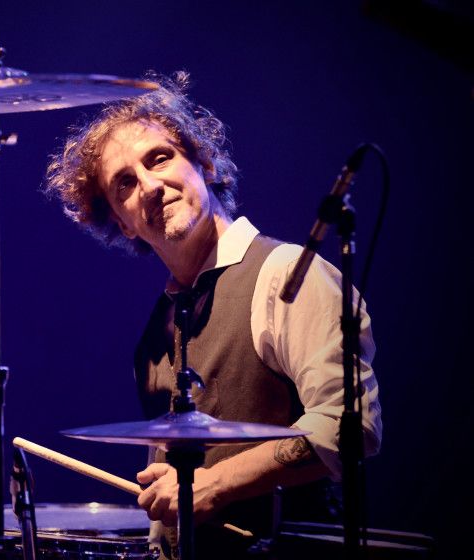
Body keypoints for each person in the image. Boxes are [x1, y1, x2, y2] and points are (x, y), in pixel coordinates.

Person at [44, 72, 382, 557]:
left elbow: (352, 426)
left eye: (160, 158)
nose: (150, 186)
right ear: (123, 222)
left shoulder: (287, 275)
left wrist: (216, 483)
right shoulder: (154, 337)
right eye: (125, 184)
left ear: (203, 162)